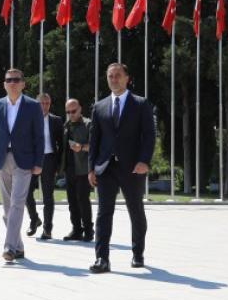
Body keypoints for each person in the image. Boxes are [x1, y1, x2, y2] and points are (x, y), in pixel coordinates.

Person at [87, 62, 156, 273]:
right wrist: (91, 168)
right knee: (103, 213)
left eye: (118, 75)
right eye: (110, 76)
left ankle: (138, 253)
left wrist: (144, 161)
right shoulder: (99, 107)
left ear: (127, 78)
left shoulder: (141, 104)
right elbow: (94, 139)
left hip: (133, 167)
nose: (114, 79)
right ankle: (102, 259)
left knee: (135, 210)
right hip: (105, 168)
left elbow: (149, 135)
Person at [0, 68, 45, 262]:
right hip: (1, 159)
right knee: (7, 209)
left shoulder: (33, 106)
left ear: (23, 84)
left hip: (24, 161)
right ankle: (19, 247)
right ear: (4, 84)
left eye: (16, 80)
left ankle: (9, 248)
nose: (12, 83)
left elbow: (39, 136)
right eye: (9, 80)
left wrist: (39, 162)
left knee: (17, 203)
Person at [24, 93, 64, 240]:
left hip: (49, 160)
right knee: (26, 192)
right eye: (42, 103)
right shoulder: (28, 119)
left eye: (47, 103)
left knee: (48, 196)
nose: (45, 106)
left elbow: (61, 144)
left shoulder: (56, 121)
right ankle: (34, 219)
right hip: (32, 160)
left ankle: (47, 229)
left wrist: (58, 164)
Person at [62, 98, 93, 242]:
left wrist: (81, 147)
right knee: (72, 201)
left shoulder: (88, 124)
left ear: (80, 109)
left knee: (83, 201)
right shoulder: (66, 125)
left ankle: (88, 230)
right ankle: (76, 230)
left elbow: (95, 146)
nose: (71, 114)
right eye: (68, 112)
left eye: (73, 111)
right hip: (69, 169)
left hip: (83, 169)